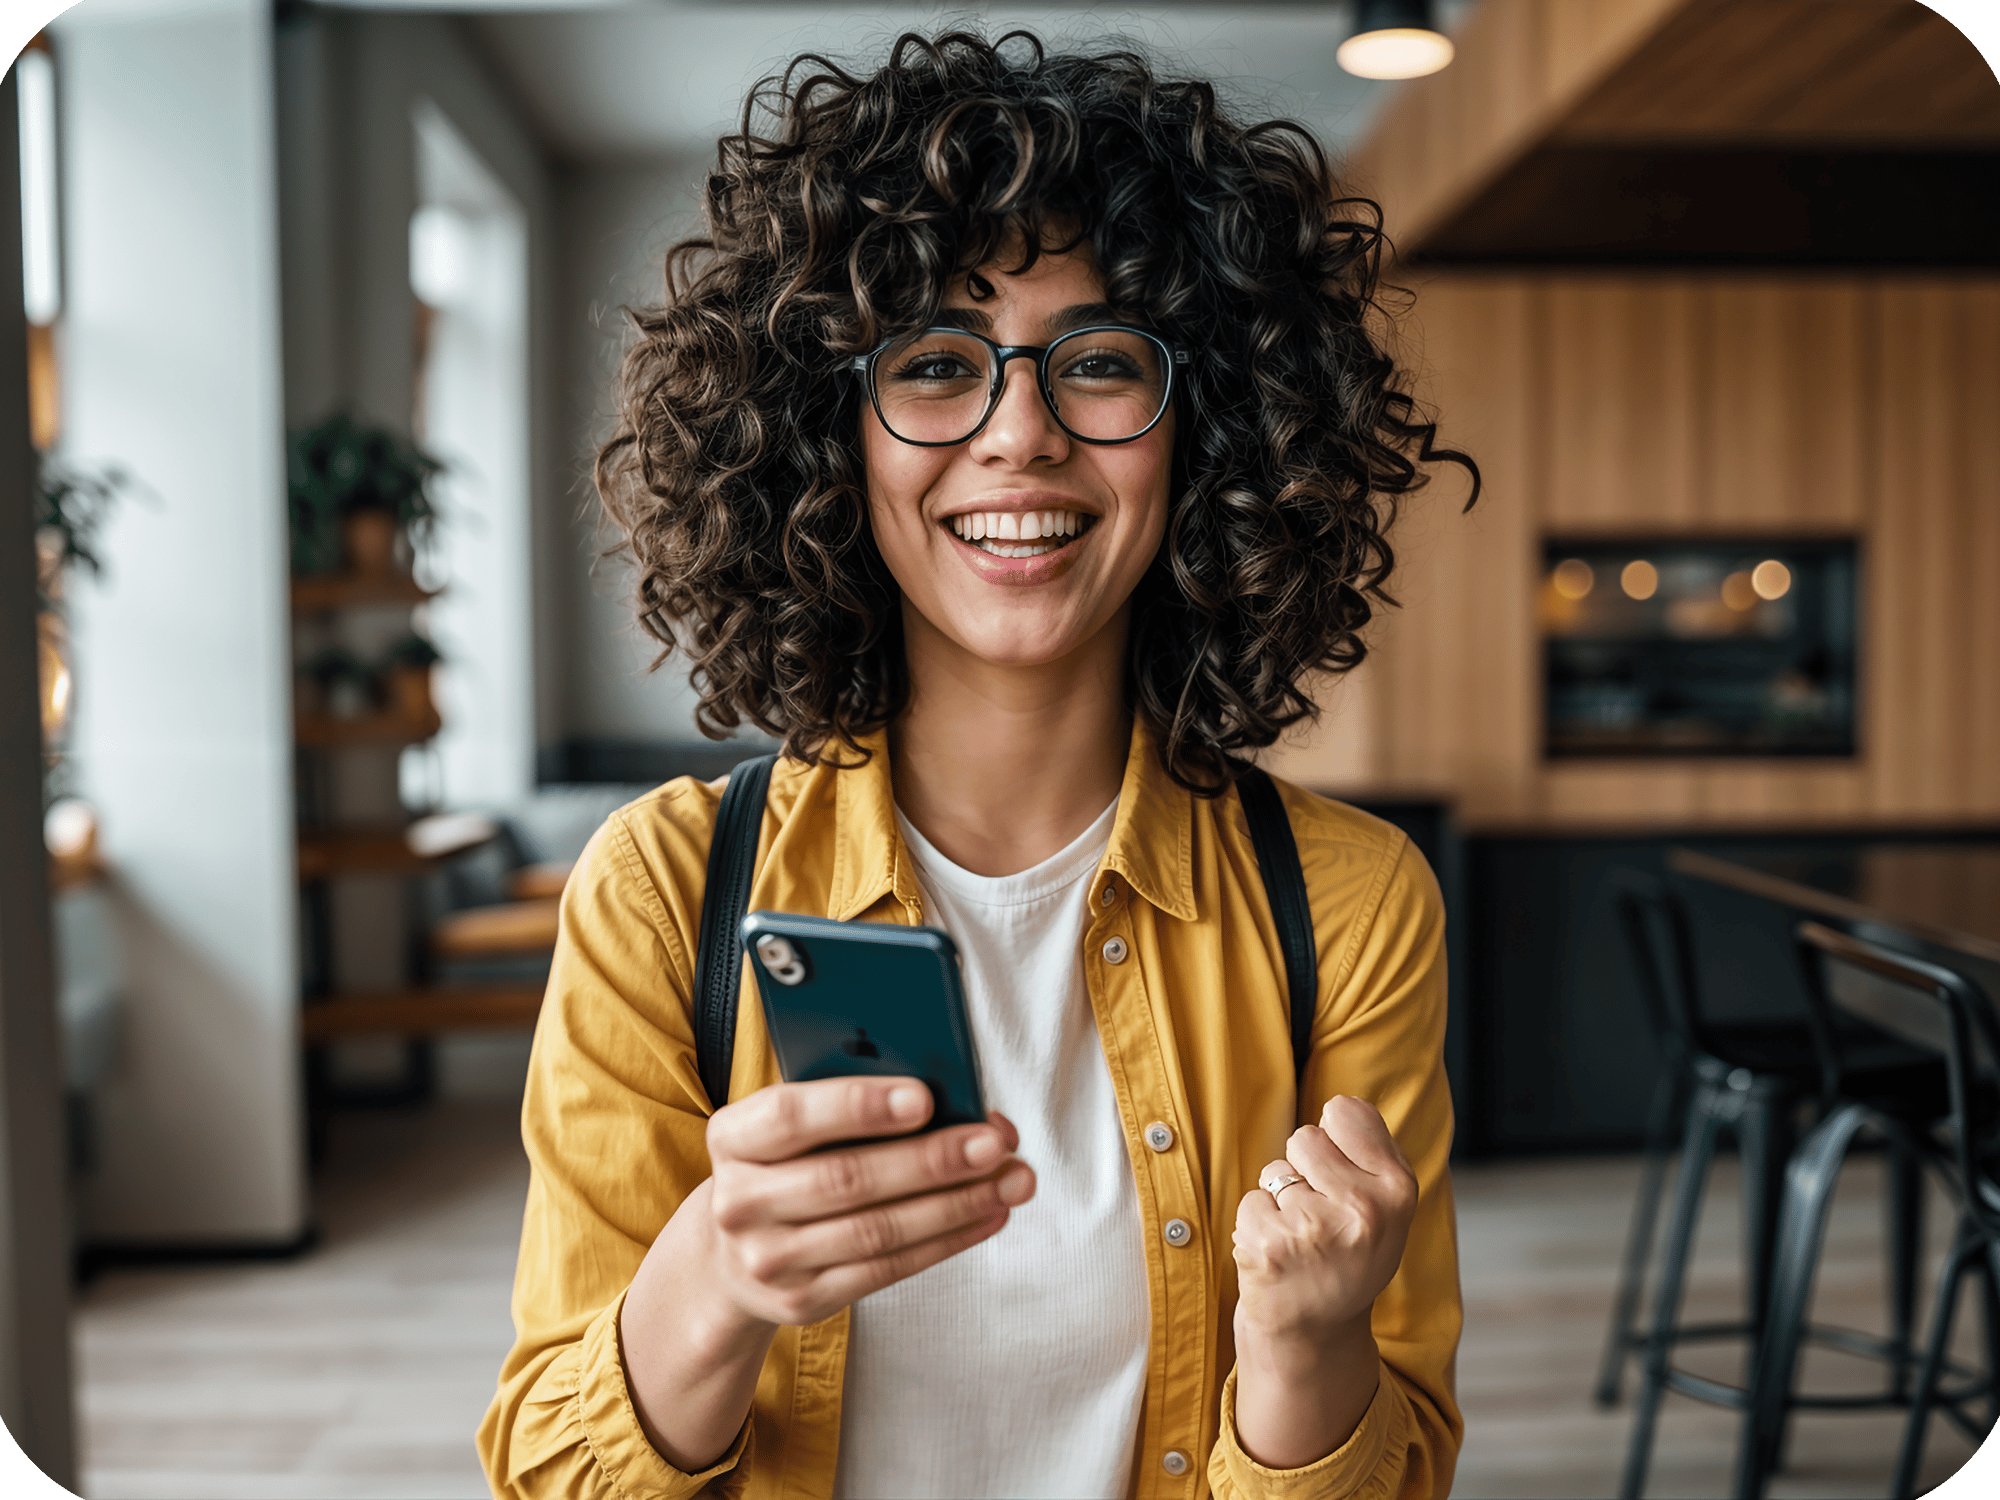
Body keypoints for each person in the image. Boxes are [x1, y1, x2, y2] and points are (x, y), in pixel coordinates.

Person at [479, 29, 1476, 1500]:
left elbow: (1403, 1470)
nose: (1022, 437)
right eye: (937, 366)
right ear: (828, 440)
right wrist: (714, 1280)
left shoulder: (1350, 907)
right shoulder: (663, 894)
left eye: (1102, 365)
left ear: (1206, 439)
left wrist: (1310, 1349)